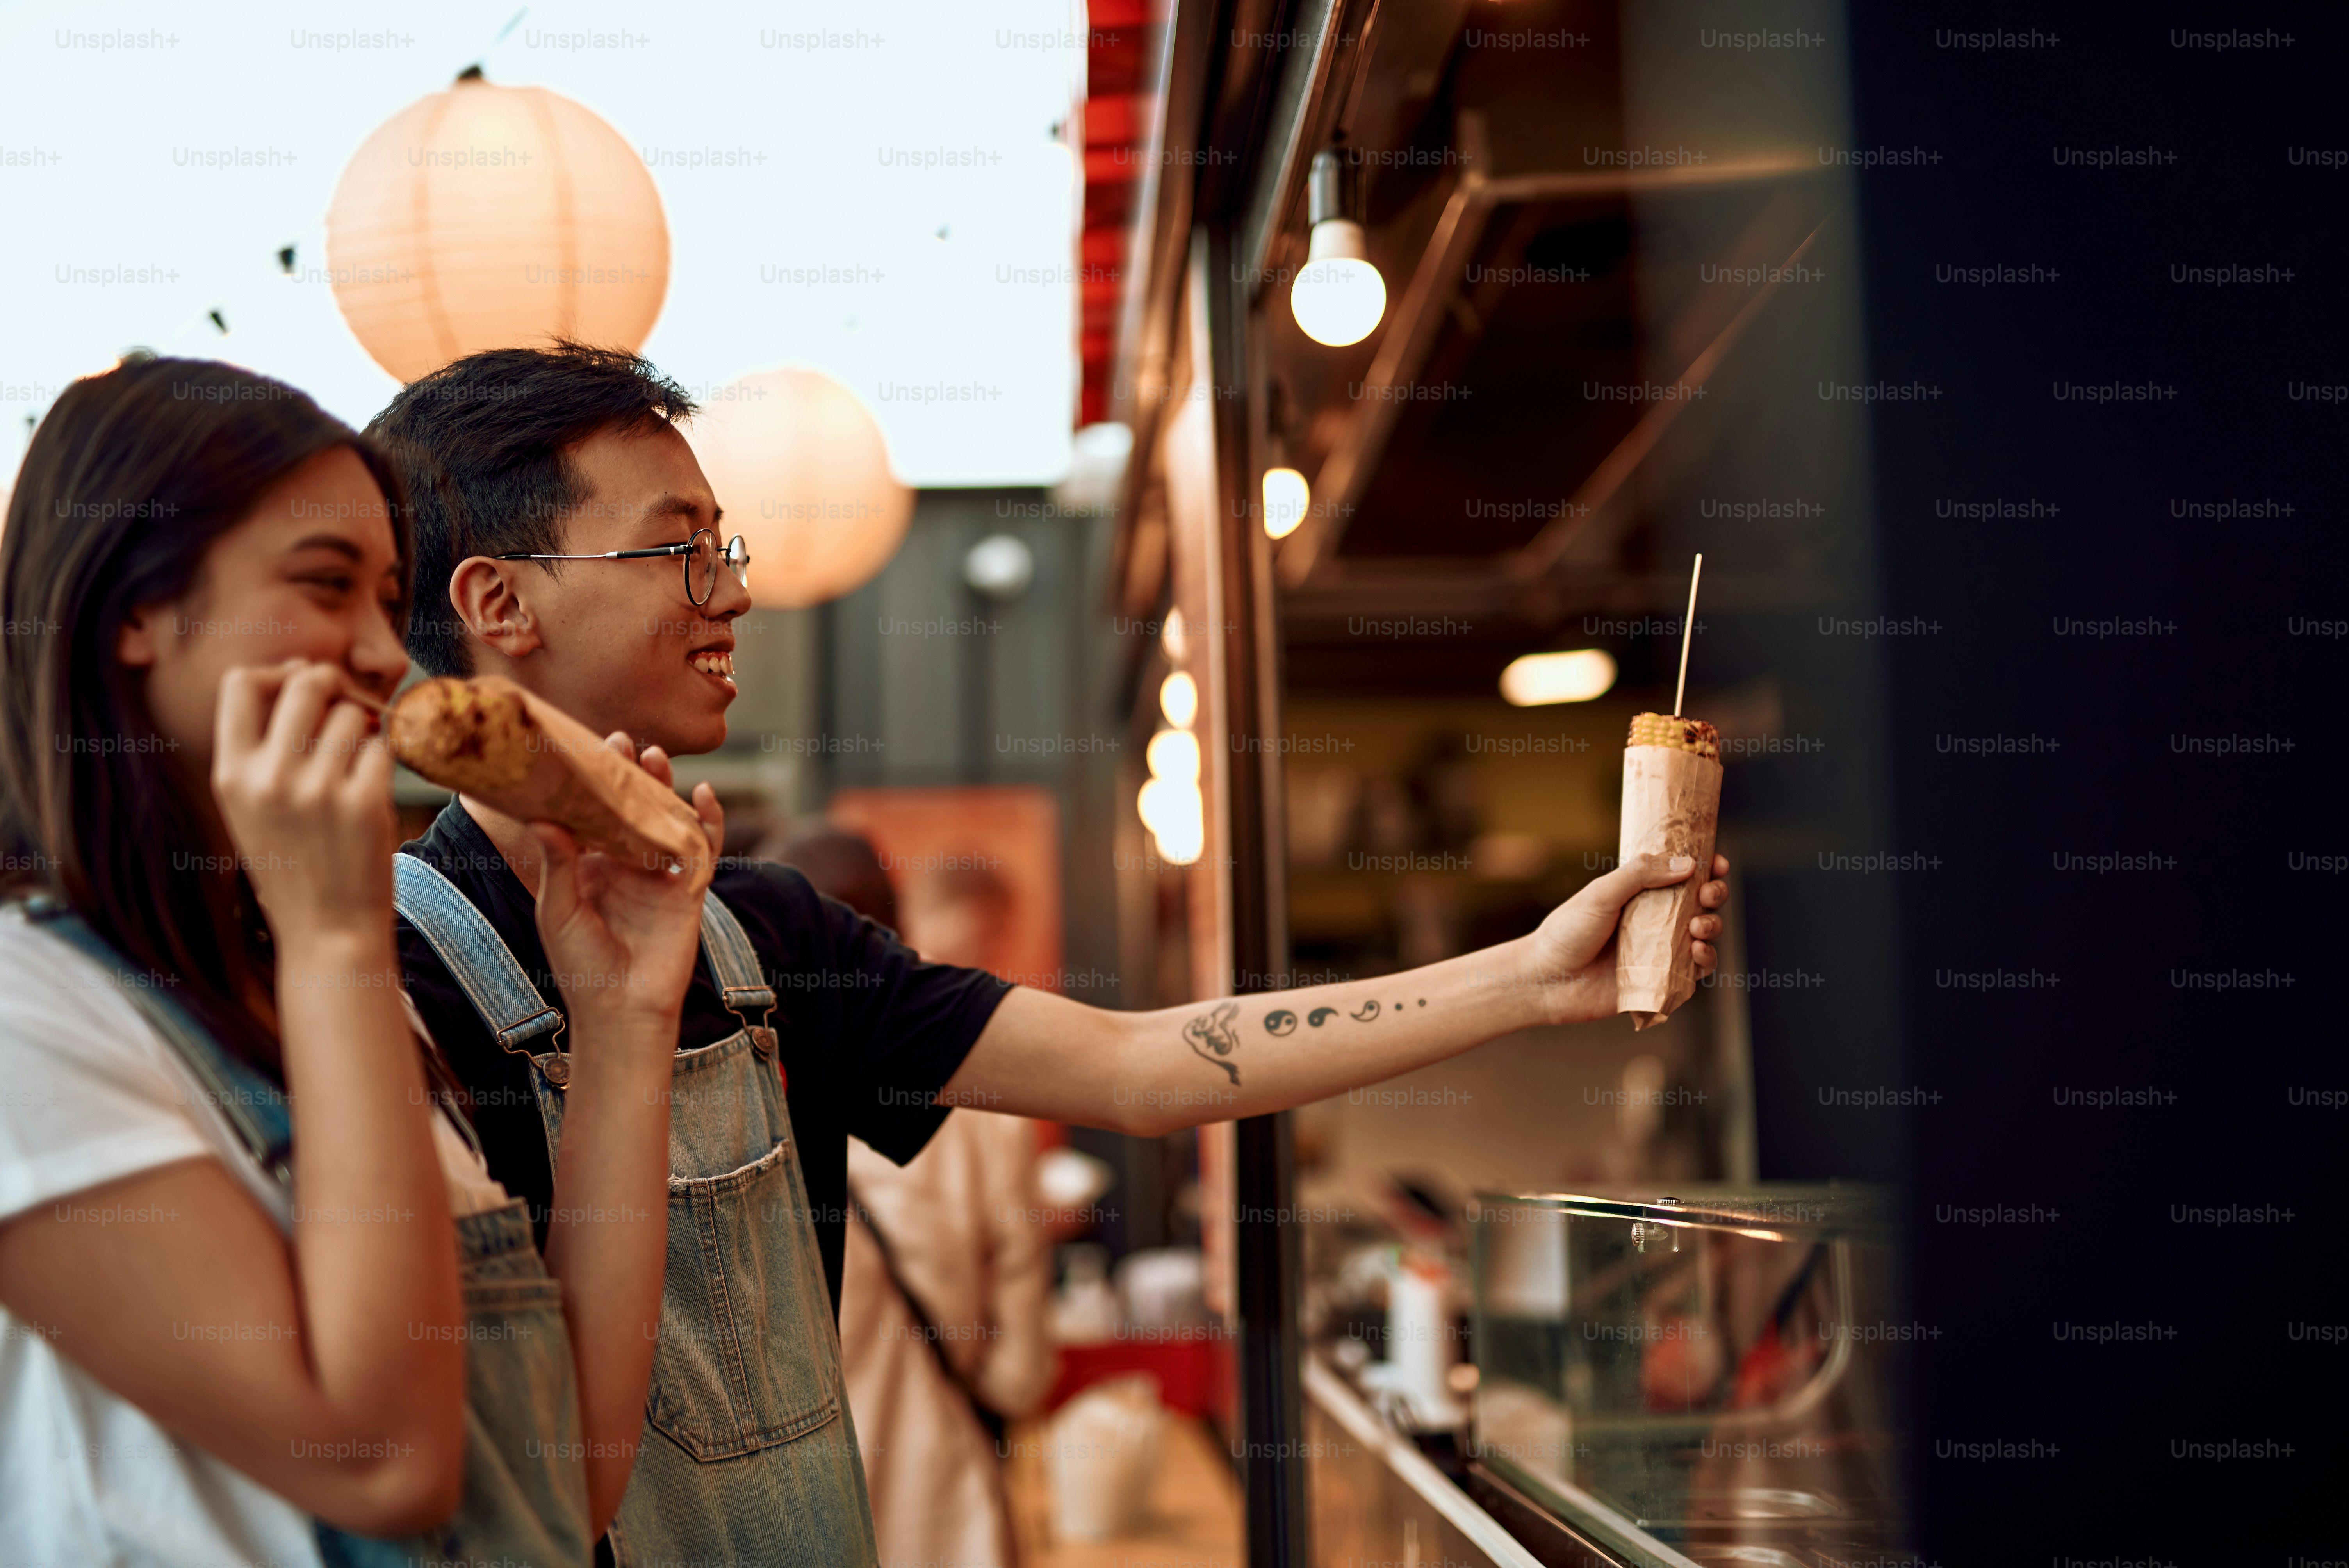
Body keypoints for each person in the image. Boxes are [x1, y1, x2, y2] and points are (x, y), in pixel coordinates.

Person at [368, 341, 1732, 1568]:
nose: (732, 590)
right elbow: (511, 1477)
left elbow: (1141, 1067)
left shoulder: (762, 933)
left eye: (723, 545)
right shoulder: (390, 985)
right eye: (679, 549)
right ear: (500, 604)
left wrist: (1527, 975)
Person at [0, 357, 714, 1566]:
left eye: (389, 600)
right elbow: (384, 1463)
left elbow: (565, 1480)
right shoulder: (31, 1012)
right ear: (132, 610)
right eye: (326, 585)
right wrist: (337, 942)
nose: (387, 656)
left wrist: (625, 1023)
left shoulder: (307, 980)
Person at [781, 827, 1054, 1568]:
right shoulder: (987, 1112)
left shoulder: (731, 1115)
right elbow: (1023, 1375)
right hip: (941, 1513)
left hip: (795, 1524)